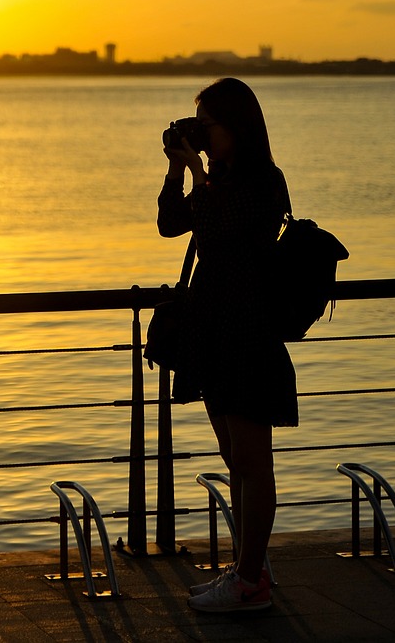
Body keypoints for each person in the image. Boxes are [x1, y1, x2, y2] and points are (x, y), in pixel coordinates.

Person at [156, 77, 296, 613]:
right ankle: (247, 570)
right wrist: (178, 169)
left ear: (236, 126)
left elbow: (220, 236)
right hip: (213, 331)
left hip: (249, 332)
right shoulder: (219, 177)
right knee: (233, 457)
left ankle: (248, 579)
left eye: (206, 126)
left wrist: (197, 173)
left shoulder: (263, 181)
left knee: (253, 460)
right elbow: (171, 224)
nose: (202, 138)